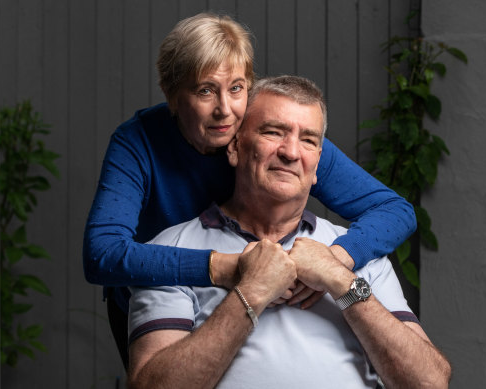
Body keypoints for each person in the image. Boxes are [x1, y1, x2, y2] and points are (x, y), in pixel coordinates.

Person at [83, 13, 417, 368]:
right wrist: (223, 267)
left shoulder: (274, 137)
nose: (225, 111)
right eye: (205, 90)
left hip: (267, 288)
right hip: (162, 291)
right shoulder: (138, 141)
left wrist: (336, 259)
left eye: (237, 88)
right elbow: (102, 254)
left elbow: (394, 211)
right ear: (172, 95)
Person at [127, 76, 451, 388]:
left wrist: (340, 280)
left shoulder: (360, 256)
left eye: (308, 140)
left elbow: (430, 382)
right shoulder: (168, 252)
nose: (291, 152)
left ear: (317, 166)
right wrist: (251, 294)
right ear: (235, 147)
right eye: (273, 132)